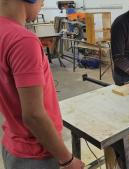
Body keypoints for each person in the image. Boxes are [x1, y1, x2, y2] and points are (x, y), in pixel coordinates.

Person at [0, 0, 84, 168]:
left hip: (12, 143)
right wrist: (67, 159)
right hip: (36, 154)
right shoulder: (23, 40)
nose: (43, 4)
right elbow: (33, 115)